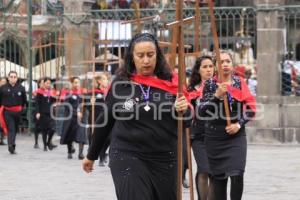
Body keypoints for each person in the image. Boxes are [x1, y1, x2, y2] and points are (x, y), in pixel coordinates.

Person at [82, 33, 190, 200]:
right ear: (132, 57)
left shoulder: (172, 82)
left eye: (150, 55)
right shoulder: (121, 84)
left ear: (158, 56)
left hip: (165, 157)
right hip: (128, 154)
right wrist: (91, 154)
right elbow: (105, 122)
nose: (146, 61)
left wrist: (181, 110)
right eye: (140, 55)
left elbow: (187, 121)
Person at [199, 51, 256, 200]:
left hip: (236, 137)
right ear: (216, 66)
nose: (224, 64)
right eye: (221, 62)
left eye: (227, 61)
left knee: (237, 174)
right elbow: (201, 111)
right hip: (215, 137)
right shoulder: (210, 84)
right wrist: (216, 96)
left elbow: (251, 109)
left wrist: (239, 124)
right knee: (219, 180)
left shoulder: (240, 82)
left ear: (232, 64)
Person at [188, 55, 215, 200]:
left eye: (211, 66)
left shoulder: (221, 86)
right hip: (198, 135)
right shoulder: (192, 90)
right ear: (198, 70)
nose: (208, 69)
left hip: (217, 135)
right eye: (205, 67)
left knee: (214, 172)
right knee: (204, 169)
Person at [60, 77, 88, 159]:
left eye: (78, 82)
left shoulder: (83, 92)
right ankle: (69, 151)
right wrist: (76, 112)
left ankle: (81, 153)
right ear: (72, 83)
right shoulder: (68, 93)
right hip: (71, 117)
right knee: (70, 135)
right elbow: (67, 105)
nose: (77, 84)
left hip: (82, 117)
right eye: (75, 82)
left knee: (81, 134)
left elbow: (87, 104)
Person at [86, 73, 110, 166]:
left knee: (108, 138)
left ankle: (103, 153)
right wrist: (91, 103)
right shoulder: (92, 92)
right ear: (99, 81)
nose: (106, 81)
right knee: (97, 137)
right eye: (104, 79)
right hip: (96, 117)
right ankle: (101, 157)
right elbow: (86, 106)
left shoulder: (109, 92)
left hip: (107, 117)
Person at [0, 71, 27, 154]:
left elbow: (24, 100)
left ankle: (13, 144)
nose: (13, 78)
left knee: (15, 129)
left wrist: (22, 108)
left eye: (15, 77)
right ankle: (10, 145)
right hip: (7, 111)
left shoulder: (21, 88)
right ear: (8, 78)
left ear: (17, 78)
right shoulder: (3, 88)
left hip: (17, 112)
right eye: (11, 76)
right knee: (11, 128)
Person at [35, 77, 58, 151]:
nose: (48, 84)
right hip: (43, 113)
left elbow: (54, 100)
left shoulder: (51, 91)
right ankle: (45, 145)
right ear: (43, 83)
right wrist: (38, 112)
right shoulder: (39, 92)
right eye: (47, 83)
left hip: (50, 112)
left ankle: (48, 142)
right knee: (44, 130)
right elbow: (37, 103)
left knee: (53, 128)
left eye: (49, 83)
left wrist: (55, 97)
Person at [0, 77, 8, 145]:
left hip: (4, 108)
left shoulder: (7, 90)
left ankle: (1, 139)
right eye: (2, 81)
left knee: (3, 124)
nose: (3, 83)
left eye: (5, 82)